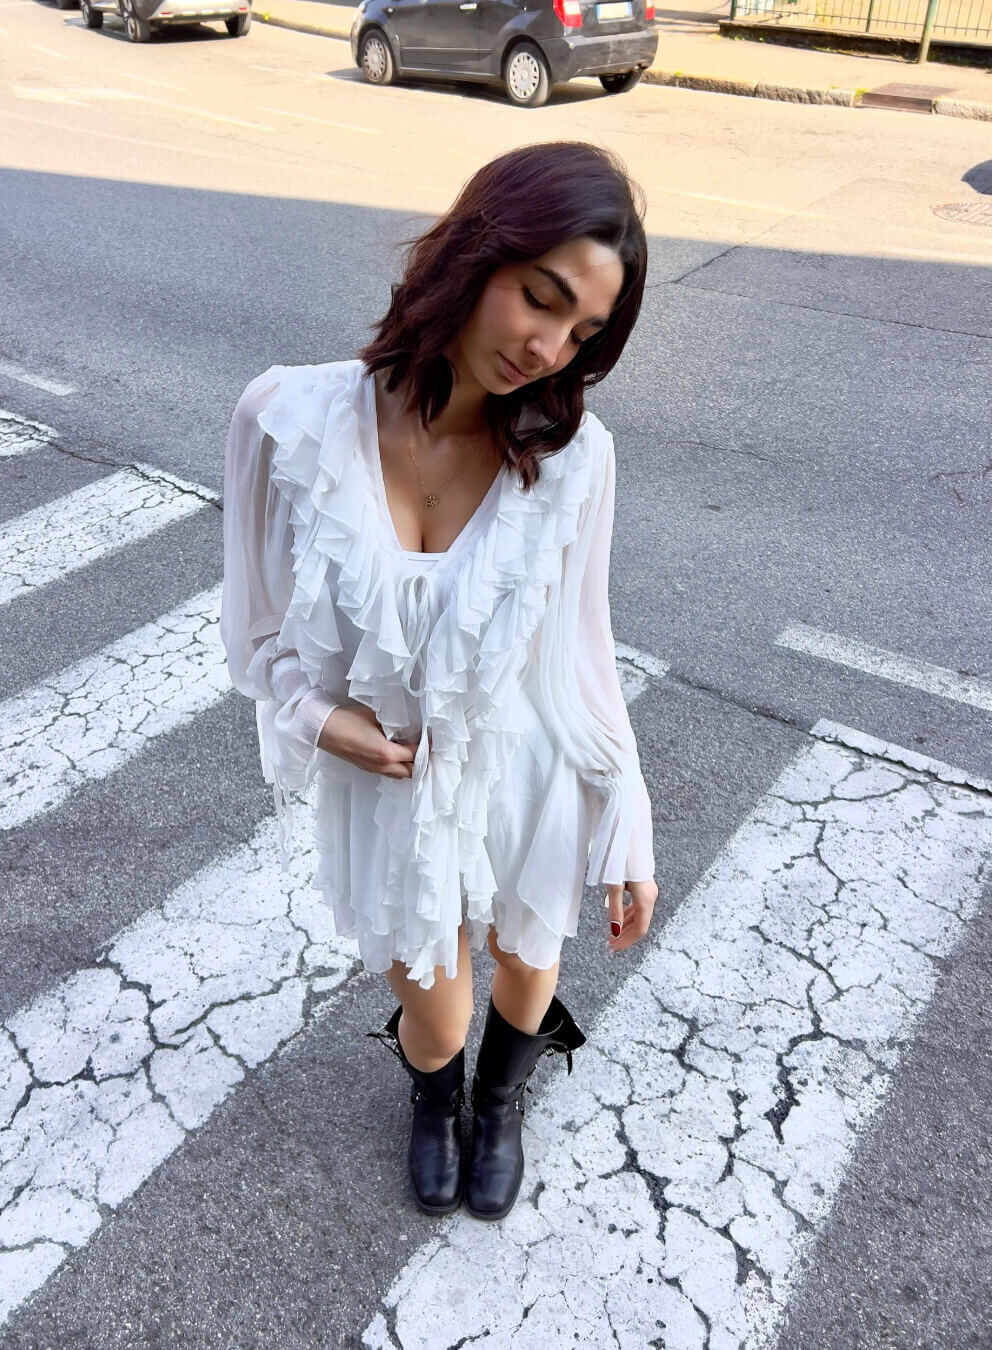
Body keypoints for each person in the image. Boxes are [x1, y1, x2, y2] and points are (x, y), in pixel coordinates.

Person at [220, 141, 658, 1222]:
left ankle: (497, 1105)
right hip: (392, 780)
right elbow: (257, 631)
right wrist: (320, 720)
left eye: (583, 333)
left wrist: (626, 813)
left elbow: (585, 642)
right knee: (438, 1010)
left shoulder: (575, 456)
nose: (548, 349)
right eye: (540, 298)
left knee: (528, 956)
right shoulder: (288, 418)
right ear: (474, 251)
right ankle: (434, 1093)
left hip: (528, 759)